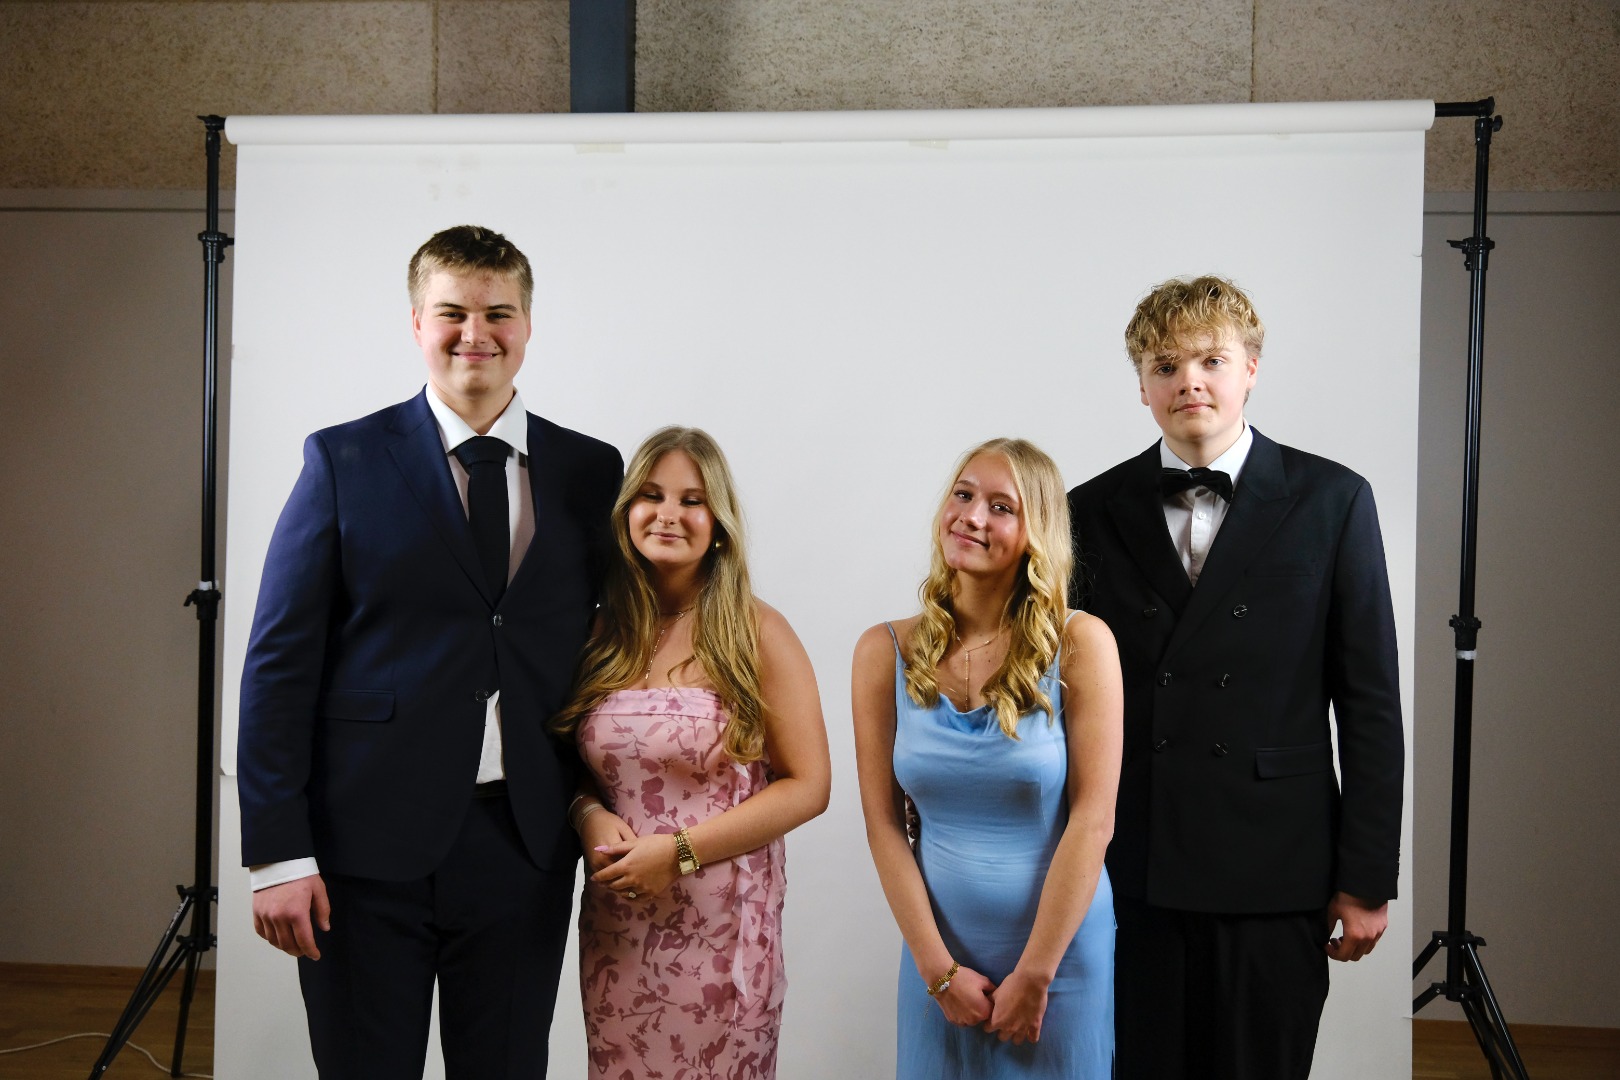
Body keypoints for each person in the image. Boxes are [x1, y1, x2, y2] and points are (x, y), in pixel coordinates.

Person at [237, 225, 622, 1078]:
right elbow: (277, 669)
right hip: (361, 849)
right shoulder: (342, 459)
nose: (475, 333)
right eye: (452, 312)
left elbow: (614, 646)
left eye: (498, 313)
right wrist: (278, 854)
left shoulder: (591, 471)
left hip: (524, 847)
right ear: (417, 322)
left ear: (528, 324)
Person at [1067, 275, 1405, 1079]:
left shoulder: (1333, 500)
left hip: (1276, 866)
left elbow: (1369, 704)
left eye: (1211, 360)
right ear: (1142, 387)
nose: (1189, 380)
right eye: (1165, 365)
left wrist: (1366, 878)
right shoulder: (1087, 510)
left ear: (1250, 368)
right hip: (1133, 865)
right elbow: (1060, 697)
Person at [552, 425, 832, 1080]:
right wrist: (587, 816)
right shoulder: (600, 630)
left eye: (692, 500)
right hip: (619, 933)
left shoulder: (758, 631)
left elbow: (809, 785)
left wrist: (679, 853)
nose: (669, 514)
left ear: (719, 524)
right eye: (651, 495)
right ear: (626, 511)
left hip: (723, 934)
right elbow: (575, 768)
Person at [852, 438, 1123, 1079]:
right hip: (937, 963)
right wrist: (936, 970)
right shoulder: (883, 651)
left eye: (1002, 507)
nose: (972, 517)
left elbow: (1093, 821)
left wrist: (1036, 974)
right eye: (964, 494)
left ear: (1036, 533)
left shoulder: (1081, 643)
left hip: (1060, 965)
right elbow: (883, 825)